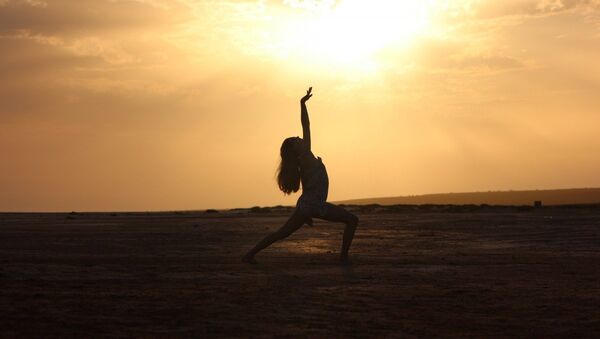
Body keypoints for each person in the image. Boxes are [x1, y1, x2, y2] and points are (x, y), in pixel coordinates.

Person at [242, 87, 359, 264]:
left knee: (282, 233)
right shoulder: (305, 155)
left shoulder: (302, 162)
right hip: (313, 204)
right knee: (352, 220)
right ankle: (343, 257)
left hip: (309, 204)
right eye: (296, 139)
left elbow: (309, 187)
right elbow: (306, 125)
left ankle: (250, 254)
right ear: (296, 149)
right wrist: (302, 104)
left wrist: (307, 214)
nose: (299, 137)